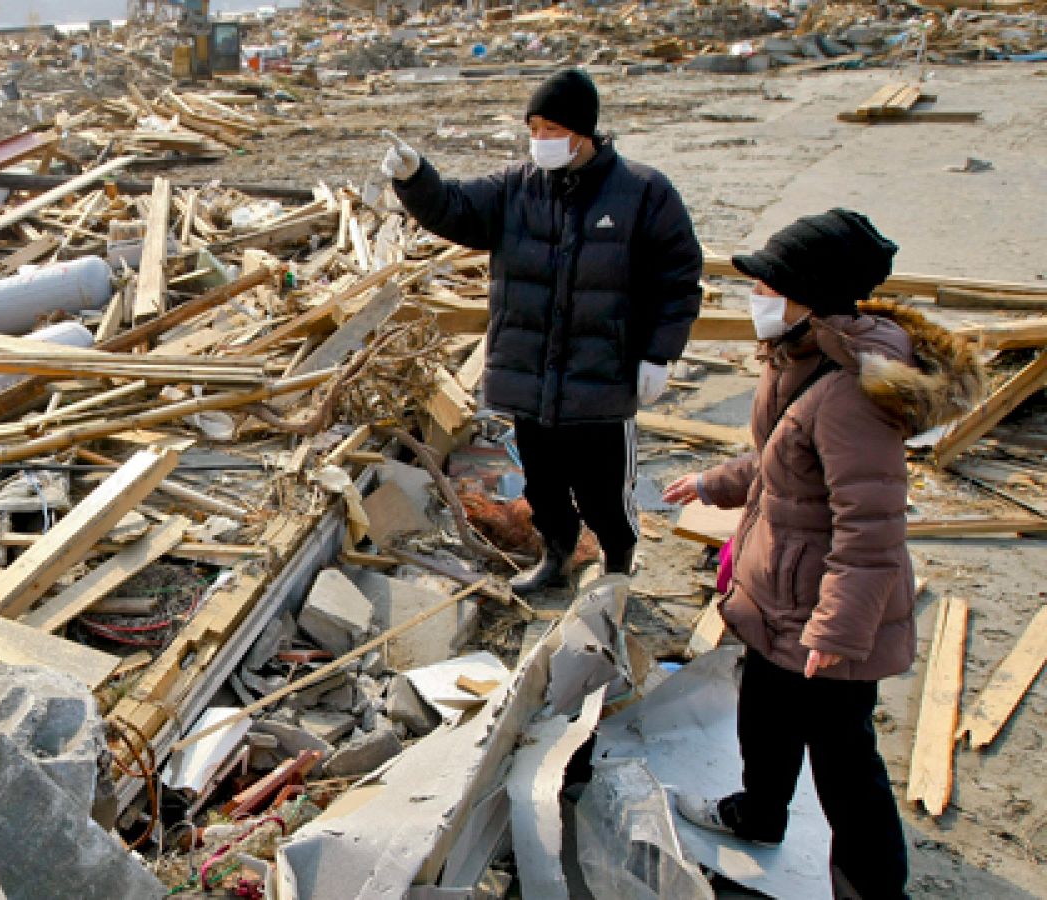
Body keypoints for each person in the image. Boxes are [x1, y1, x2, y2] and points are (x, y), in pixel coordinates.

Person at [661, 209, 984, 900]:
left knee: (844, 763)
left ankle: (871, 888)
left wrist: (839, 630)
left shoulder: (850, 396)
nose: (757, 299)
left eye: (770, 286)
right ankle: (760, 814)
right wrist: (716, 483)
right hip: (779, 599)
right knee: (764, 722)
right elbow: (784, 463)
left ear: (812, 295)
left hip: (825, 618)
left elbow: (871, 529)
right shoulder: (798, 359)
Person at [381, 68, 703, 591]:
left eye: (552, 128)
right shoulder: (516, 188)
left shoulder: (644, 192)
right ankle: (555, 559)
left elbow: (679, 279)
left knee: (602, 491)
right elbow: (455, 209)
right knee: (545, 484)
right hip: (530, 374)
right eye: (534, 128)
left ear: (583, 132)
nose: (541, 140)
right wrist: (416, 177)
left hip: (603, 376)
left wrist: (659, 353)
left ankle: (617, 563)